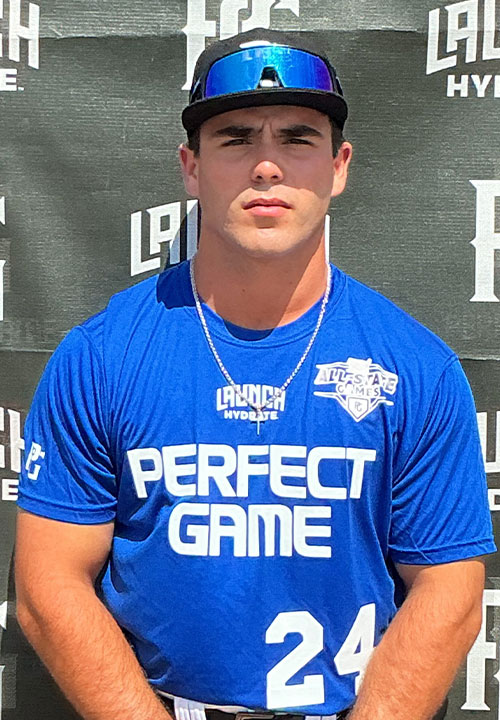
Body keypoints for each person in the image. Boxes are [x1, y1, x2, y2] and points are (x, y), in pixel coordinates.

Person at [14, 26, 495, 720]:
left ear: (339, 166)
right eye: (235, 139)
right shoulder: (101, 356)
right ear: (191, 167)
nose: (267, 166)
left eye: (298, 138)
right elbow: (49, 585)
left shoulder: (416, 365)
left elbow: (448, 590)